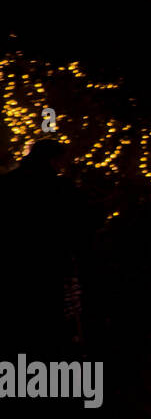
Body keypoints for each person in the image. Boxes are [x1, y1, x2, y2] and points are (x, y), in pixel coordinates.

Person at [0, 139, 94, 351]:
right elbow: (78, 225)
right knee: (46, 316)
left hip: (11, 261)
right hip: (49, 262)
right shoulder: (59, 188)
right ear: (53, 160)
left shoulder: (7, 183)